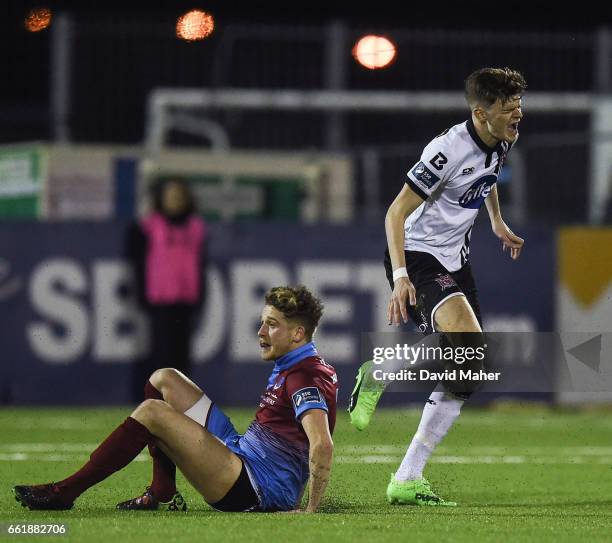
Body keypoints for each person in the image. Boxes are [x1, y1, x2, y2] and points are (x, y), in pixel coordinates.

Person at [348, 67, 526, 506]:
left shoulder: (504, 137)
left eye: (519, 106)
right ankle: (378, 375)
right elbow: (395, 213)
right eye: (508, 110)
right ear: (480, 114)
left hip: (455, 259)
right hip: (417, 255)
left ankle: (406, 477)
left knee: (469, 368)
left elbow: (487, 177)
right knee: (466, 342)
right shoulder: (446, 150)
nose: (517, 116)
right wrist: (400, 275)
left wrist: (496, 221)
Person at [13, 285, 337, 513]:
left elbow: (321, 443)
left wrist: (309, 509)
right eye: (263, 322)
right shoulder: (296, 365)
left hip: (253, 487)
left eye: (271, 325)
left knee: (153, 412)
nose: (260, 332)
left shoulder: (303, 376)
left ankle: (65, 492)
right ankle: (162, 490)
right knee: (164, 378)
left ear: (297, 334)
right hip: (245, 455)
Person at [128, 178, 207, 381]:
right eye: (171, 196)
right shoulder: (149, 227)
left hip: (186, 299)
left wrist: (201, 295)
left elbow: (202, 264)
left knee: (183, 355)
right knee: (162, 353)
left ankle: (181, 402)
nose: (175, 201)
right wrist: (141, 293)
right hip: (160, 299)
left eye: (179, 196)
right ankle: (160, 400)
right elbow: (139, 263)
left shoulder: (196, 227)